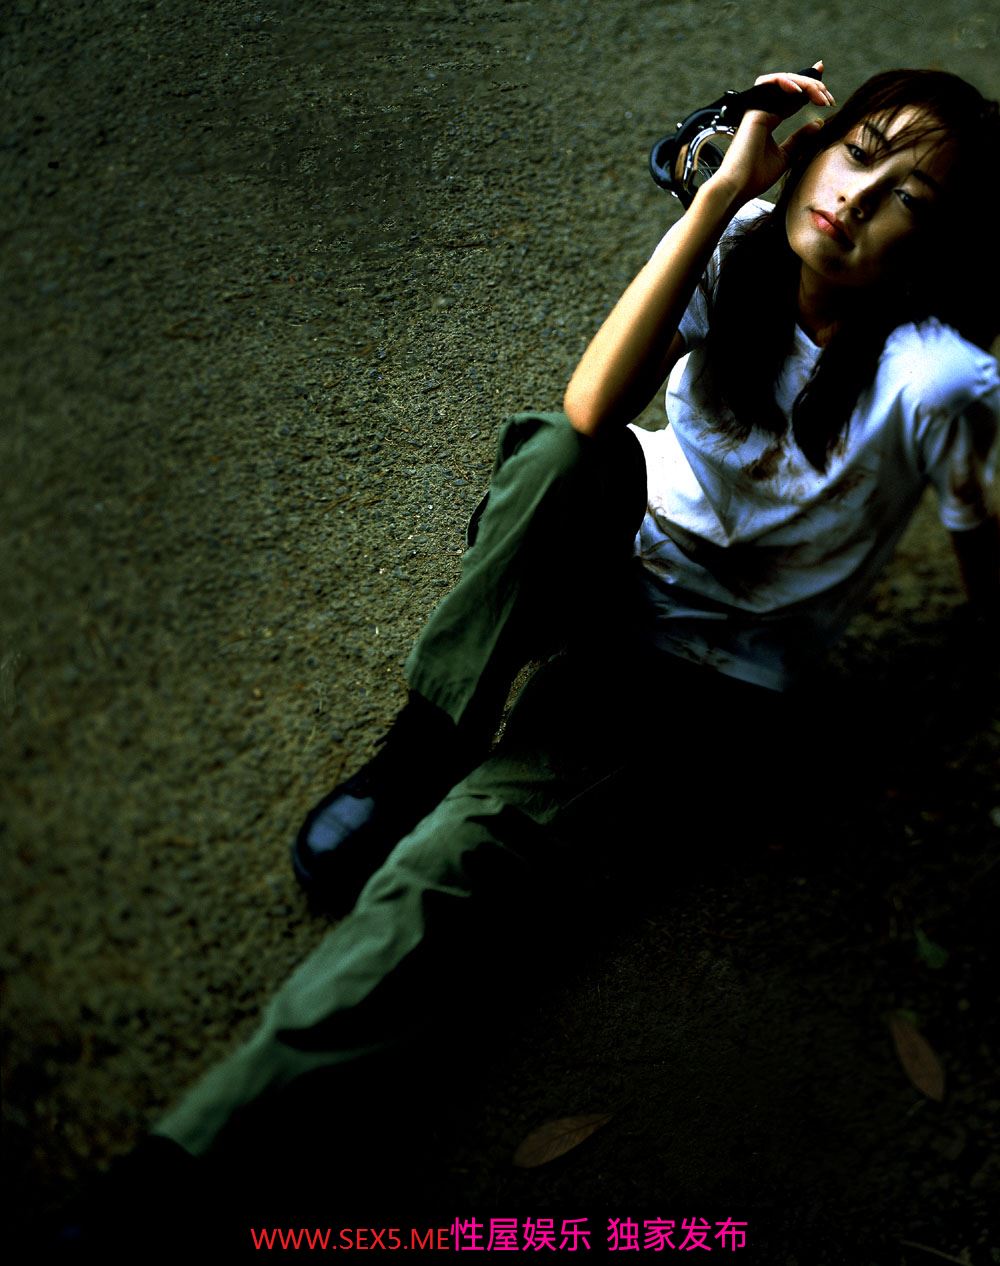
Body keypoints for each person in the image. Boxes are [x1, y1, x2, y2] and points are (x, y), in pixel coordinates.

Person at [68, 61, 1000, 1244]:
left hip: (695, 673)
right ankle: (421, 747)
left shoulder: (939, 378)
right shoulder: (741, 243)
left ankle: (170, 1180)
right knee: (561, 459)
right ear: (814, 147)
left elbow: (983, 547)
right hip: (605, 548)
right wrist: (721, 196)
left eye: (908, 196)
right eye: (858, 151)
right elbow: (591, 410)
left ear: (936, 245)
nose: (857, 196)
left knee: (441, 878)